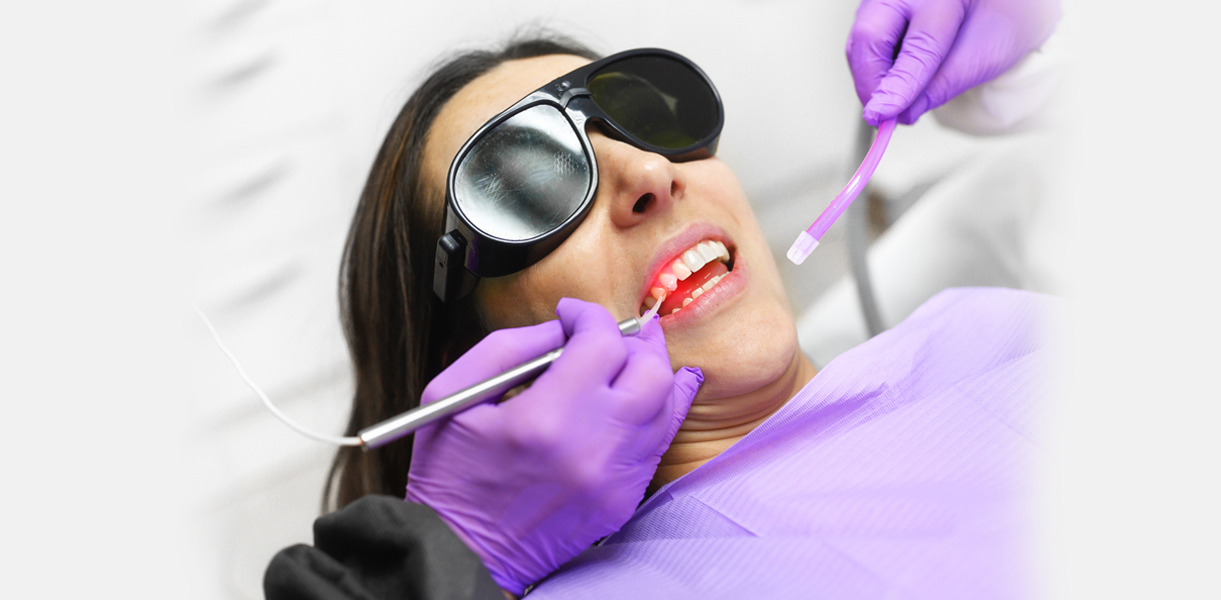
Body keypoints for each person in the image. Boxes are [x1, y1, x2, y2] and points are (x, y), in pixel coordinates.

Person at [267, 2, 1061, 597]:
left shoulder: (989, 329)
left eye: (648, 117)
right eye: (533, 186)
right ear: (476, 375)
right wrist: (451, 561)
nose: (651, 173)